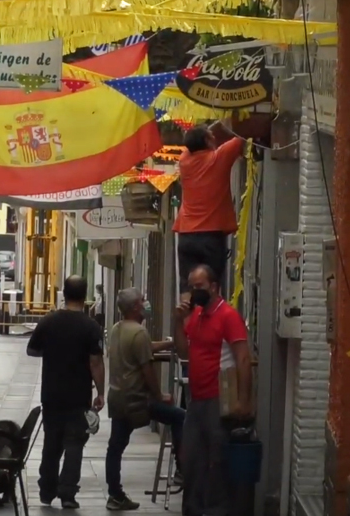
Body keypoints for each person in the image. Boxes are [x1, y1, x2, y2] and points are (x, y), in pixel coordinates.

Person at [173, 265, 253, 516]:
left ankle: (218, 510)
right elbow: (183, 351)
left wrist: (243, 400)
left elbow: (242, 358)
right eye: (191, 287)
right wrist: (178, 320)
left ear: (215, 287)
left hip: (219, 399)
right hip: (196, 400)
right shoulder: (195, 316)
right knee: (191, 461)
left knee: (217, 463)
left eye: (200, 287)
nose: (194, 292)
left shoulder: (228, 316)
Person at [27, 275, 105, 509]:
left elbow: (32, 350)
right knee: (74, 446)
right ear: (85, 296)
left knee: (51, 444)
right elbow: (96, 362)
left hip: (51, 394)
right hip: (78, 396)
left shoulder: (48, 321)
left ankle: (46, 491)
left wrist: (53, 353)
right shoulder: (91, 326)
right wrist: (100, 392)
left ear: (64, 295)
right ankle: (68, 494)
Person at [105, 288, 186, 511]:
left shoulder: (118, 328)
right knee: (179, 417)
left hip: (118, 397)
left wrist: (169, 344)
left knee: (115, 446)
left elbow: (144, 348)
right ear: (134, 308)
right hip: (136, 399)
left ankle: (115, 494)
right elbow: (147, 367)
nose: (146, 303)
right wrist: (160, 395)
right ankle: (181, 469)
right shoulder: (139, 332)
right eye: (143, 300)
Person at [174, 123, 245, 298]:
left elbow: (195, 143)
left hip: (186, 235)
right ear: (207, 140)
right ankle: (209, 322)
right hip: (210, 236)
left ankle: (187, 319)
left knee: (187, 285)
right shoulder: (218, 158)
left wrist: (204, 135)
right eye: (210, 136)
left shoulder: (184, 161)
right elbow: (242, 135)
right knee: (211, 286)